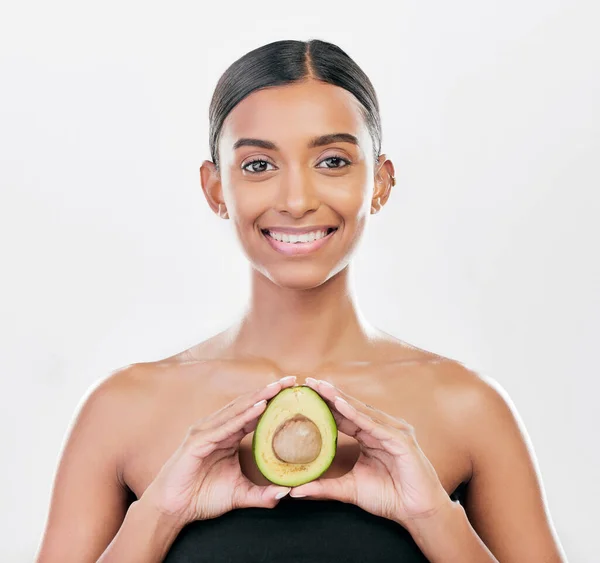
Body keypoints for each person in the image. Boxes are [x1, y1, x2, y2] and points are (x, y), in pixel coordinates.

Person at [35, 39, 567, 563]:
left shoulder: (468, 408)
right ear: (216, 188)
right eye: (259, 166)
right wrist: (159, 514)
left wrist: (433, 518)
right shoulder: (121, 410)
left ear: (380, 182)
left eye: (332, 160)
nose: (296, 201)